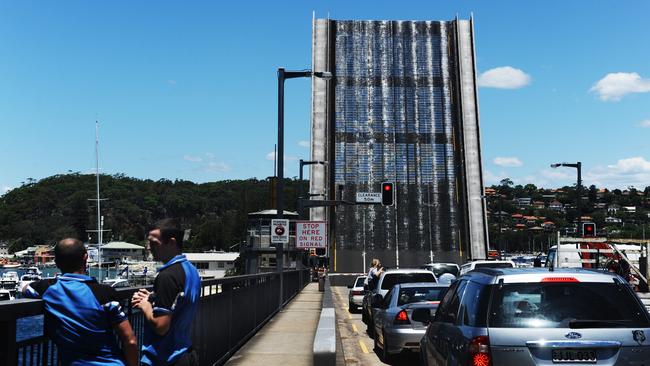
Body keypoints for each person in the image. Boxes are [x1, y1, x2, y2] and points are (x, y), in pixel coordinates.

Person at [23, 238, 138, 366]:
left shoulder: (48, 289)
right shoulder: (105, 293)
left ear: (56, 262)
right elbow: (130, 341)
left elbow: (25, 288)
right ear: (86, 257)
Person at [131, 219, 200, 366]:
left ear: (172, 242)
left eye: (154, 243)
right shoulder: (190, 270)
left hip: (166, 358)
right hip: (185, 351)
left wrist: (145, 306)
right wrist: (153, 298)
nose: (149, 248)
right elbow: (180, 302)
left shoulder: (167, 276)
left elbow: (161, 327)